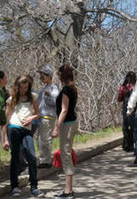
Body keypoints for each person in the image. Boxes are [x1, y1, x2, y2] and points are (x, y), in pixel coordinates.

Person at [2, 75, 45, 198]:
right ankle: (14, 187)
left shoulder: (33, 97)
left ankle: (34, 187)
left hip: (27, 130)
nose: (23, 90)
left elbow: (38, 113)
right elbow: (6, 120)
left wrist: (32, 117)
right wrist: (4, 139)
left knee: (31, 157)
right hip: (13, 129)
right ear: (17, 87)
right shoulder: (11, 99)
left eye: (26, 87)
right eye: (21, 87)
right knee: (15, 157)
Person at [51, 65, 79, 198]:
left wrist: (57, 127)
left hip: (67, 124)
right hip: (70, 123)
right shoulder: (72, 87)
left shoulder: (68, 89)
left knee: (65, 155)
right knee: (66, 154)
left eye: (59, 74)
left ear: (62, 75)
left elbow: (64, 110)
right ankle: (68, 189)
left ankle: (68, 191)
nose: (57, 76)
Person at [34, 66, 59, 168]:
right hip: (41, 117)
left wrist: (48, 96)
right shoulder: (42, 90)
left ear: (49, 76)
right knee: (39, 139)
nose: (41, 78)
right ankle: (42, 159)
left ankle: (46, 161)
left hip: (48, 118)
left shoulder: (54, 88)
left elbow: (56, 102)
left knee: (45, 139)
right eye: (40, 76)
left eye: (43, 75)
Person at [117, 71, 137, 152]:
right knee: (133, 126)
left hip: (125, 107)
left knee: (125, 126)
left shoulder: (123, 87)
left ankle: (126, 144)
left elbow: (119, 98)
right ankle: (132, 144)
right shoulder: (136, 86)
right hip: (134, 108)